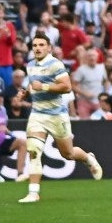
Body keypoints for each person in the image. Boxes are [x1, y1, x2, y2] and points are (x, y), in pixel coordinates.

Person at [14, 33, 103, 203]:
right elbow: (32, 84)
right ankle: (34, 192)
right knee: (33, 151)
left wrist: (44, 86)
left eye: (41, 45)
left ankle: (87, 157)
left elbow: (67, 87)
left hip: (56, 116)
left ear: (49, 48)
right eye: (35, 45)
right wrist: (24, 94)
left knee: (68, 153)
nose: (38, 48)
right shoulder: (30, 65)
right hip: (37, 114)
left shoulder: (56, 65)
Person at [0, 87, 28, 181]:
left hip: (2, 142)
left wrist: (12, 134)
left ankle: (20, 174)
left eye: (1, 97)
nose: (0, 99)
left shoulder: (3, 109)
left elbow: (3, 127)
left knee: (22, 143)